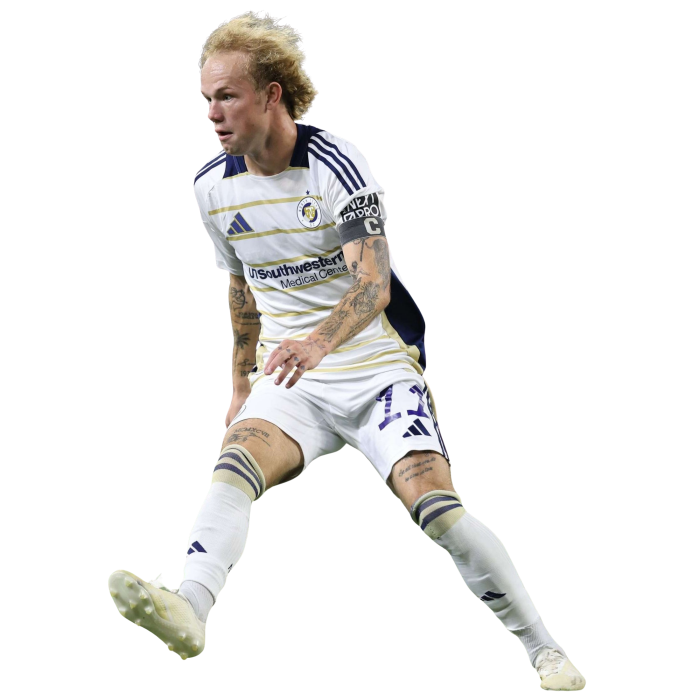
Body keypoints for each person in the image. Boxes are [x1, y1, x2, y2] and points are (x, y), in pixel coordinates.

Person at [108, 12, 585, 691]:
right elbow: (240, 290)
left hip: (374, 371)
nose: (211, 112)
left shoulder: (336, 162)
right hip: (290, 379)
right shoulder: (211, 187)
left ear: (271, 94)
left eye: (227, 96)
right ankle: (190, 607)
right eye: (207, 98)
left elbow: (373, 283)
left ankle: (545, 651)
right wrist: (241, 387)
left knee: (438, 511)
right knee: (231, 472)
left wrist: (317, 342)